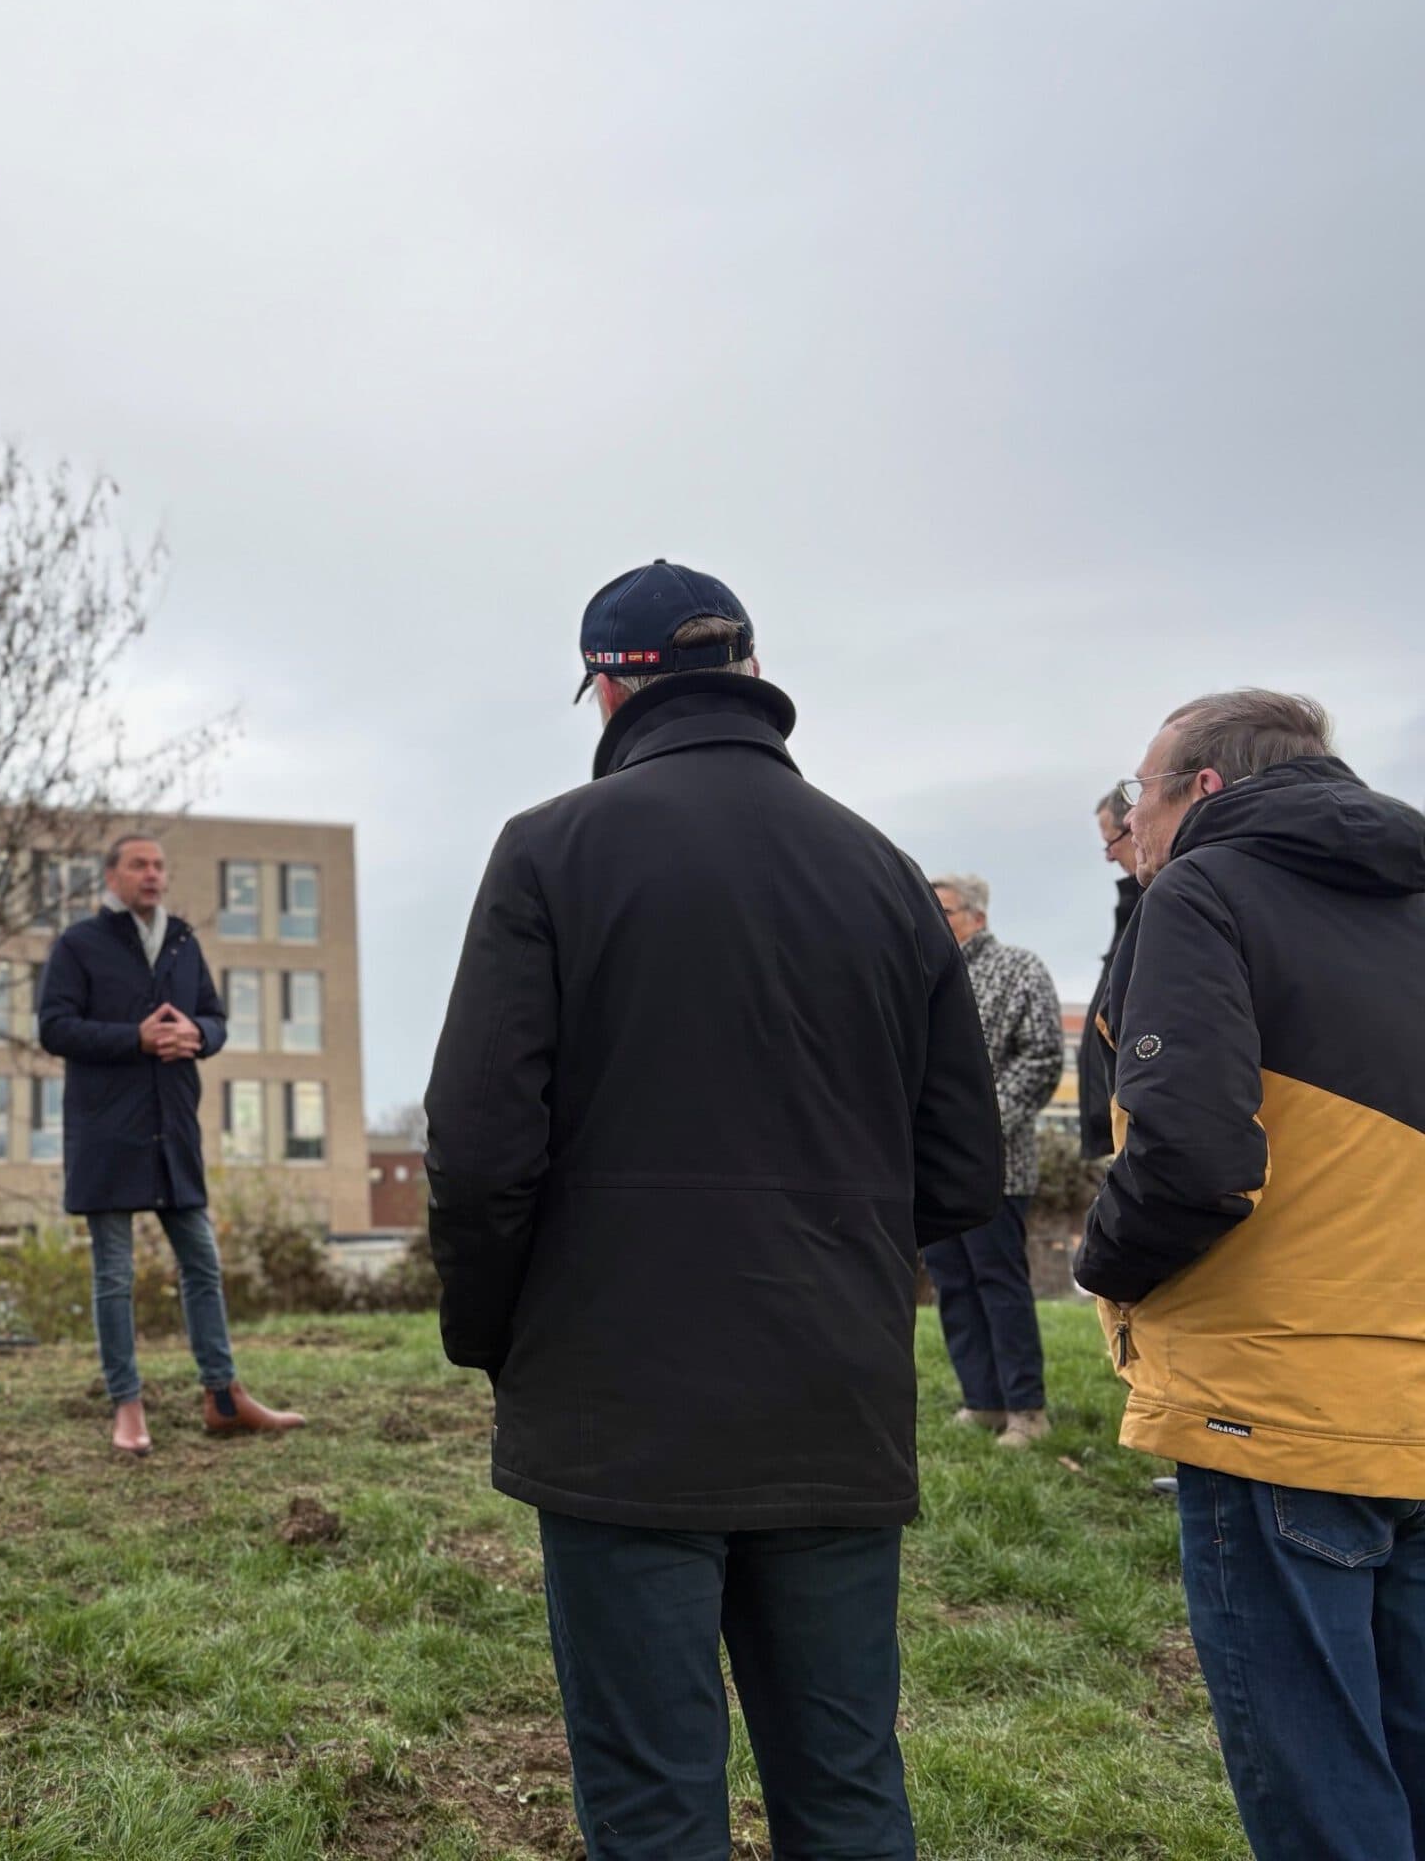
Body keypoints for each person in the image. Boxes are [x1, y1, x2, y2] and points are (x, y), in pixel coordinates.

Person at [425, 560, 1002, 1861]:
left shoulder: (548, 852)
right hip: (834, 1401)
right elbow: (963, 1169)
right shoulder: (884, 875)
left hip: (616, 1412)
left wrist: (492, 1334)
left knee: (651, 1802)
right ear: (751, 673)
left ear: (612, 689)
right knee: (847, 1788)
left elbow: (475, 1149)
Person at [1077, 689, 1425, 1861]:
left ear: (1202, 791)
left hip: (1272, 1411)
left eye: (1140, 792)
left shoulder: (1204, 894)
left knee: (1321, 1792)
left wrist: (1100, 1265)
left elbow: (1193, 1158)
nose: (1131, 821)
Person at [37, 832, 306, 1456]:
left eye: (159, 865)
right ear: (111, 877)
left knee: (202, 1264)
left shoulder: (184, 940)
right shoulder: (79, 945)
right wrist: (136, 1039)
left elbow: (214, 1018)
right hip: (107, 1132)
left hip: (173, 1130)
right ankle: (127, 1405)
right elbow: (54, 1027)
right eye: (138, 864)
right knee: (114, 1275)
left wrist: (198, 1033)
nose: (151, 874)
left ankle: (222, 1396)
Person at [922, 873, 1063, 1450]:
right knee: (952, 1283)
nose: (936, 922)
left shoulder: (1019, 968)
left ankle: (1026, 1410)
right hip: (931, 1163)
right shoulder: (924, 973)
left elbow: (1044, 1055)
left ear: (977, 916)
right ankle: (981, 1401)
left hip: (996, 1164)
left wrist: (976, 1124)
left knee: (997, 1282)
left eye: (945, 912)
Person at [1078, 789, 1143, 1163]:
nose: (1108, 856)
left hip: (1133, 1133)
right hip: (1118, 1131)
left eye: (1111, 842)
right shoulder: (1135, 907)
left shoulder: (1158, 904)